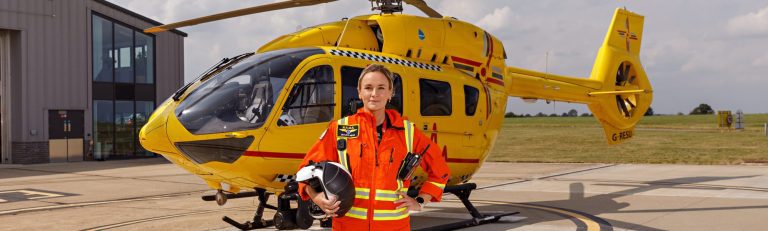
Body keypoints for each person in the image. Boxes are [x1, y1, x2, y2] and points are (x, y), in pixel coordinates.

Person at [296, 64, 450, 230]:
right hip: (348, 227)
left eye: (381, 88)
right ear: (359, 92)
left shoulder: (408, 133)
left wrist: (420, 201)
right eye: (368, 88)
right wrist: (317, 197)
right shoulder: (339, 129)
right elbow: (306, 171)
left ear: (390, 93)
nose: (374, 94)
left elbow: (440, 171)